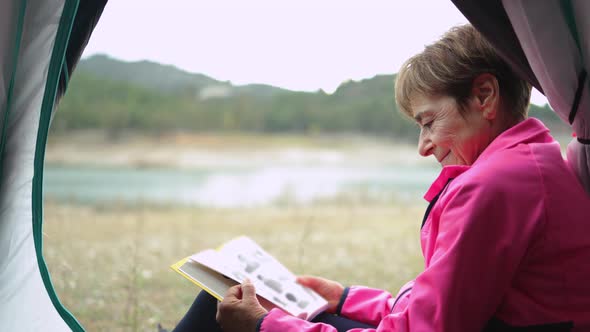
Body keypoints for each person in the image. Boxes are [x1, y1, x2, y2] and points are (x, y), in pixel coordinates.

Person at [174, 24, 590, 332]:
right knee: (229, 301)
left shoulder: (495, 185)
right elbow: (442, 305)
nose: (424, 146)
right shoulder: (530, 162)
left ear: (484, 96)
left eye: (429, 122)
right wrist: (348, 298)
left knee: (222, 308)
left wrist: (267, 327)